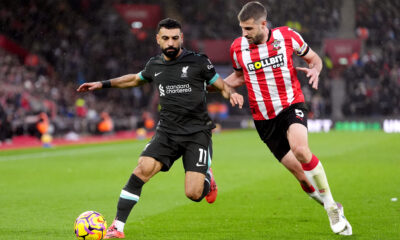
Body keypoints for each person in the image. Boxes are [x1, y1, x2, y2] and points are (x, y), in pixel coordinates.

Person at [77, 18, 243, 239]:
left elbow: (220, 84)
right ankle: (117, 226)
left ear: (181, 38)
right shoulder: (154, 65)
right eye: (166, 38)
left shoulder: (199, 62)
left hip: (197, 133)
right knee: (141, 169)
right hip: (167, 132)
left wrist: (231, 93)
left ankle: (206, 178)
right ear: (158, 39)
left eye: (175, 38)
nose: (171, 42)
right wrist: (102, 84)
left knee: (193, 194)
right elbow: (134, 80)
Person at [224, 1, 352, 235]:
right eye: (242, 29)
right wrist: (219, 87)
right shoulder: (237, 48)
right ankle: (331, 205)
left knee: (301, 150)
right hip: (263, 118)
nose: (245, 34)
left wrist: (315, 69)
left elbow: (315, 59)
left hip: (291, 104)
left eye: (249, 29)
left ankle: (332, 208)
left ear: (263, 24)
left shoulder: (288, 37)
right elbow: (239, 76)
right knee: (301, 175)